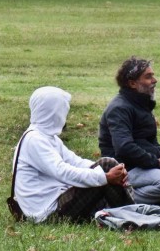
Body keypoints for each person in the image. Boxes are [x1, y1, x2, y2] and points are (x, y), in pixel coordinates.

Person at [12, 86, 129, 223]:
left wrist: (108, 171)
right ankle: (135, 213)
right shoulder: (35, 140)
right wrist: (104, 176)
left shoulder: (48, 137)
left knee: (107, 165)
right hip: (47, 212)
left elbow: (75, 161)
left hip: (58, 199)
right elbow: (62, 171)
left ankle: (132, 212)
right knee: (106, 166)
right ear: (54, 111)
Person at [98, 57, 160, 206]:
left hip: (140, 164)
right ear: (132, 83)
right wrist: (155, 162)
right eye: (148, 77)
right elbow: (124, 147)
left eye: (153, 75)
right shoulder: (120, 108)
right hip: (125, 170)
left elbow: (149, 140)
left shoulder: (140, 104)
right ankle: (118, 202)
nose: (154, 80)